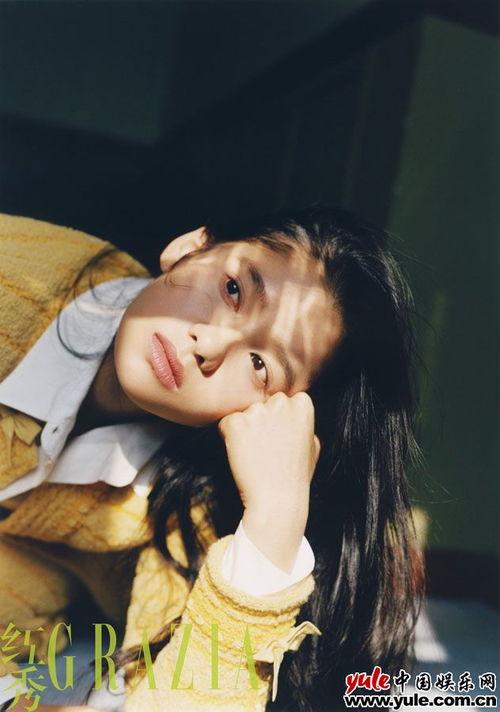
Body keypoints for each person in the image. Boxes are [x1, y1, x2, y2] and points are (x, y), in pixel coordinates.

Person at [0, 207, 424, 712]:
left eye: (260, 365)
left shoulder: (185, 505)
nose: (211, 342)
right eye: (234, 289)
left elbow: (195, 694)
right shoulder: (13, 277)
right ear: (189, 247)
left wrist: (275, 516)